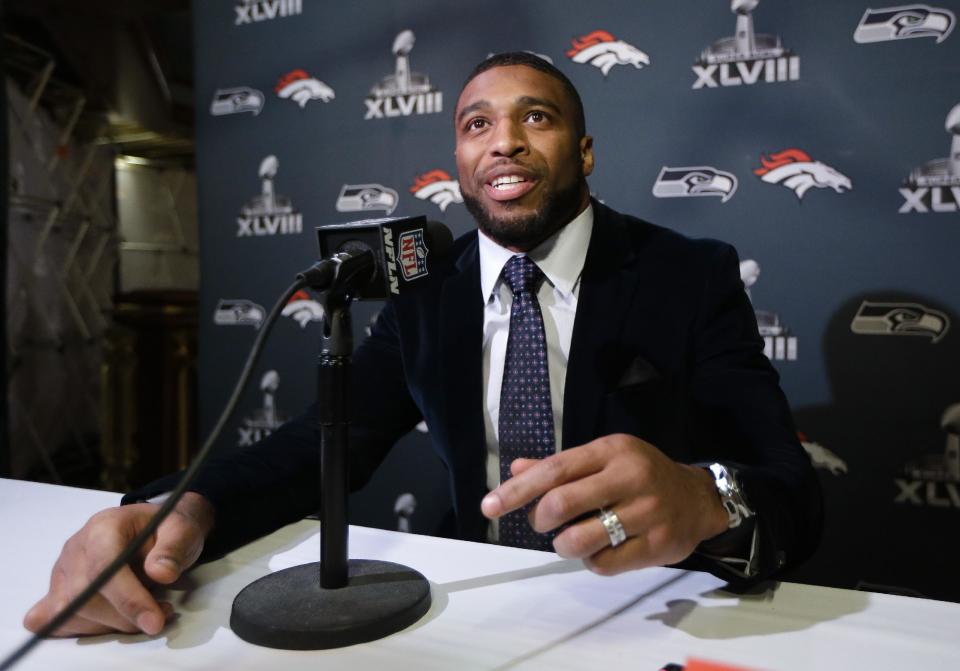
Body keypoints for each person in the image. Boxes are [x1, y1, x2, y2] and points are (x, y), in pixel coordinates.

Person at [24, 52, 822, 638]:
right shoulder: (426, 288)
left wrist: (703, 499)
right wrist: (181, 508)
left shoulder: (690, 274)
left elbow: (791, 488)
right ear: (460, 166)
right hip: (476, 606)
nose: (503, 140)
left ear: (583, 152)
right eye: (478, 124)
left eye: (535, 117)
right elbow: (320, 446)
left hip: (652, 613)